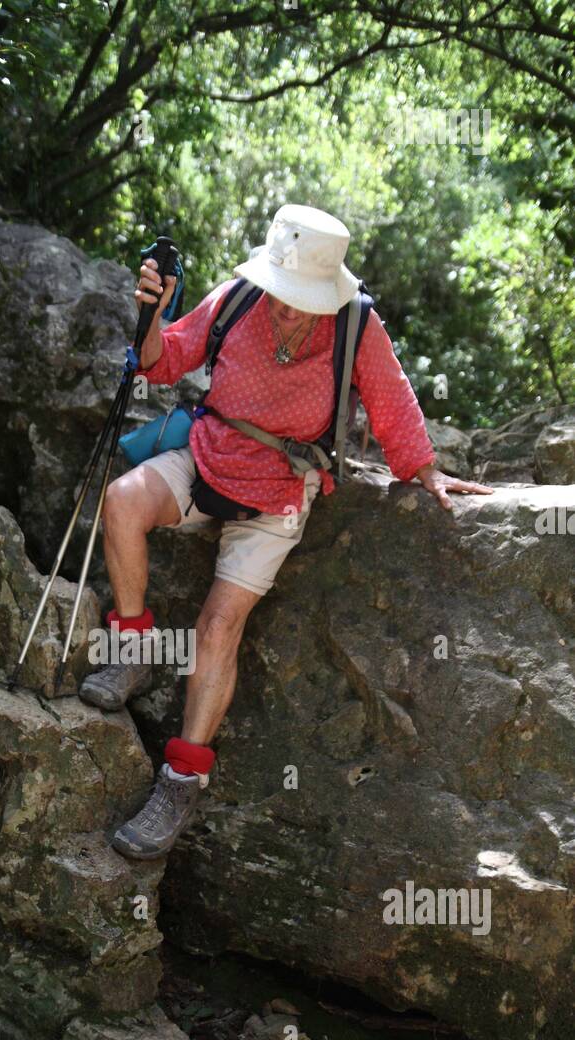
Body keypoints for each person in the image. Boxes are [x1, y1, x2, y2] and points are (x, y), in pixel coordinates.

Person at [78, 204, 493, 860]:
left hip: (279, 490)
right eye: (282, 296)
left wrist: (426, 469)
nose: (286, 311)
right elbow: (161, 362)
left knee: (219, 625)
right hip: (211, 452)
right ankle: (131, 649)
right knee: (125, 501)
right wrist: (152, 313)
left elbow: (391, 399)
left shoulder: (357, 324)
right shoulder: (241, 297)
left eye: (301, 302)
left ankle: (181, 780)